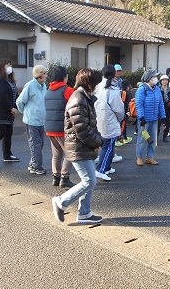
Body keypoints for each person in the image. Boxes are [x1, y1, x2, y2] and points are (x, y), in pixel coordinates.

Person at [51, 68, 104, 224]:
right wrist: (97, 142)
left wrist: (97, 140)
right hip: (78, 146)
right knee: (89, 181)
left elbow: (90, 126)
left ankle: (84, 213)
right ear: (89, 83)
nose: (98, 86)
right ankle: (61, 201)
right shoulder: (78, 99)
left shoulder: (84, 97)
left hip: (83, 146)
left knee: (89, 179)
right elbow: (81, 129)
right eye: (96, 83)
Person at [44, 65, 75, 189]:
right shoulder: (68, 90)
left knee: (56, 154)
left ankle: (55, 177)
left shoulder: (48, 91)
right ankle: (64, 177)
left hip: (50, 128)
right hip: (62, 128)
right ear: (64, 77)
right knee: (70, 154)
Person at [94, 65, 125, 181]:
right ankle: (100, 169)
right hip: (110, 121)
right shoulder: (112, 90)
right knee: (108, 146)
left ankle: (106, 167)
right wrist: (120, 119)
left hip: (99, 119)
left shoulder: (99, 87)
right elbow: (119, 110)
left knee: (107, 145)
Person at [16, 65, 47, 175]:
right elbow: (20, 101)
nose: (46, 75)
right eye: (44, 73)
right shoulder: (30, 85)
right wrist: (25, 112)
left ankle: (33, 164)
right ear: (39, 74)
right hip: (32, 120)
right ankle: (36, 166)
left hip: (41, 120)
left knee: (40, 143)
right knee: (36, 144)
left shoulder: (43, 85)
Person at [135, 69, 166, 165]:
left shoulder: (157, 89)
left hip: (154, 119)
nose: (156, 79)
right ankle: (139, 157)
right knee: (142, 139)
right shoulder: (142, 89)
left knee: (152, 139)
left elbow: (161, 103)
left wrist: (163, 116)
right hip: (145, 119)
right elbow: (139, 104)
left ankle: (150, 157)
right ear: (149, 78)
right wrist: (141, 117)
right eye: (154, 77)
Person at [158, 74, 170, 142]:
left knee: (167, 122)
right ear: (161, 81)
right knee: (158, 122)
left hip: (168, 107)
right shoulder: (158, 89)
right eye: (163, 80)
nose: (165, 81)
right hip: (160, 107)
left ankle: (165, 136)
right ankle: (156, 136)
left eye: (166, 80)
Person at [116, 79, 133, 145]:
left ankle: (124, 137)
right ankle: (118, 139)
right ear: (127, 87)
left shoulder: (120, 92)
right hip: (123, 112)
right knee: (122, 126)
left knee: (123, 125)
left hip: (122, 112)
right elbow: (123, 103)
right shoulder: (125, 93)